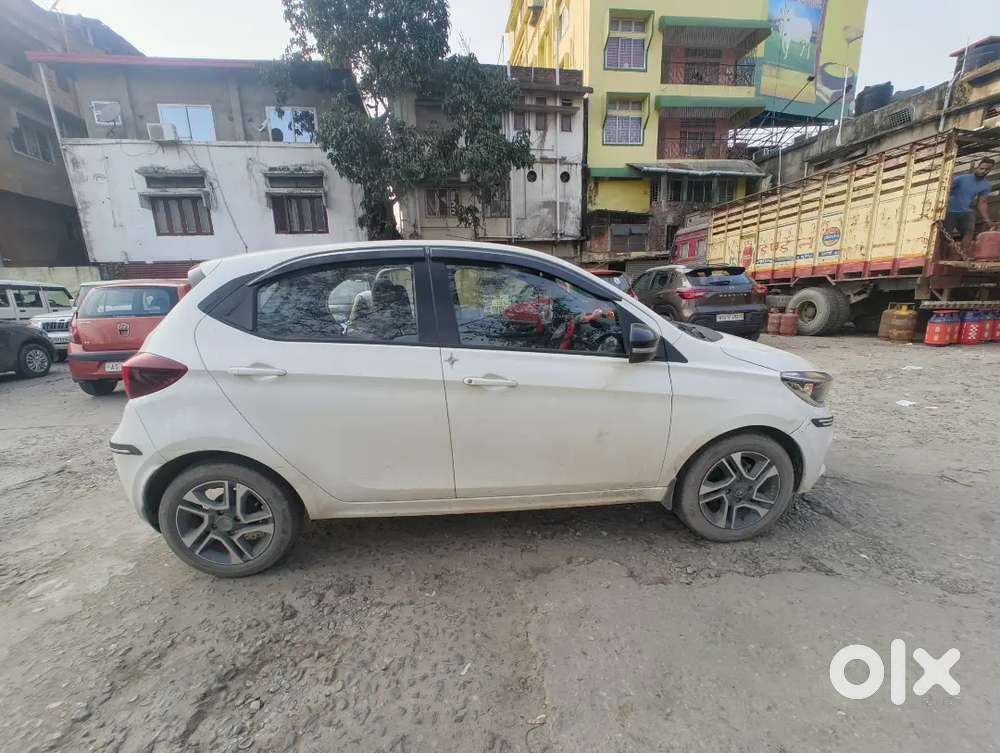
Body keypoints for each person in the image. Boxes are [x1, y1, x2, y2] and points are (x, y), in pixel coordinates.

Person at [944, 157, 997, 247]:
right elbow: (946, 190)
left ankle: (964, 257)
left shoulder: (986, 185)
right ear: (977, 167)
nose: (983, 171)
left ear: (990, 170)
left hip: (966, 212)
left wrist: (987, 219)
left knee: (969, 233)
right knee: (945, 235)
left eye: (987, 169)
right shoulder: (961, 179)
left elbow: (982, 203)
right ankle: (941, 256)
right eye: (981, 168)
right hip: (950, 210)